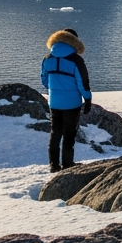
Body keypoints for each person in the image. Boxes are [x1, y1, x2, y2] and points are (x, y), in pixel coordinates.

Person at [39, 28, 91, 173]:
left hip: (54, 102)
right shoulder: (76, 60)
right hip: (72, 103)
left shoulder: (48, 58)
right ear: (74, 41)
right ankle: (67, 164)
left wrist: (54, 90)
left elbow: (44, 79)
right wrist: (87, 99)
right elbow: (83, 82)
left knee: (55, 133)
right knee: (69, 134)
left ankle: (54, 165)